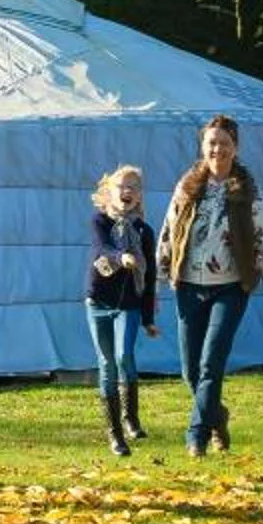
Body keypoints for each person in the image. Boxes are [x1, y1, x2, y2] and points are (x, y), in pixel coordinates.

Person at [159, 114, 263, 457]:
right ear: (202, 145)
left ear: (235, 147)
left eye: (224, 143)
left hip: (230, 286)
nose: (217, 149)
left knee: (211, 364)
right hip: (188, 284)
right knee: (190, 370)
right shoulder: (187, 186)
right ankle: (217, 416)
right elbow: (169, 232)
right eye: (211, 142)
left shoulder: (247, 189)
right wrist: (156, 280)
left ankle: (196, 435)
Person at [84, 164, 160, 456]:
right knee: (106, 363)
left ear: (139, 196)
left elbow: (150, 276)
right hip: (98, 301)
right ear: (109, 193)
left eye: (133, 187)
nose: (127, 192)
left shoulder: (144, 231)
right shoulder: (99, 221)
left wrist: (149, 318)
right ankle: (115, 434)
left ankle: (131, 417)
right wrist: (121, 256)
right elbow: (102, 249)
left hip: (129, 303)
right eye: (121, 187)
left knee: (123, 355)